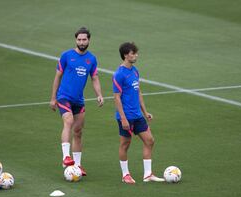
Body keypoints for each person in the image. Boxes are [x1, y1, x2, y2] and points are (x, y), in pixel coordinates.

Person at [50, 27, 104, 176]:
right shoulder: (66, 56)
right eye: (79, 39)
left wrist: (99, 94)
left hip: (79, 101)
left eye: (84, 39)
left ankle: (78, 165)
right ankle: (66, 157)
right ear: (76, 40)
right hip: (64, 97)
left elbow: (94, 78)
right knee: (68, 121)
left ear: (88, 40)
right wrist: (53, 98)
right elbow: (57, 77)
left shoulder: (91, 59)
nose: (81, 42)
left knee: (78, 132)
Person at [112, 42, 164, 184]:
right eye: (133, 53)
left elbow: (138, 92)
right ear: (125, 55)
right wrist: (123, 119)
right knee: (125, 145)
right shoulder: (119, 74)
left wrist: (145, 112)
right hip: (126, 117)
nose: (136, 55)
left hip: (138, 116)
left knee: (149, 140)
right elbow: (116, 97)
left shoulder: (135, 71)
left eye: (136, 53)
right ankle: (125, 175)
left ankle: (148, 174)